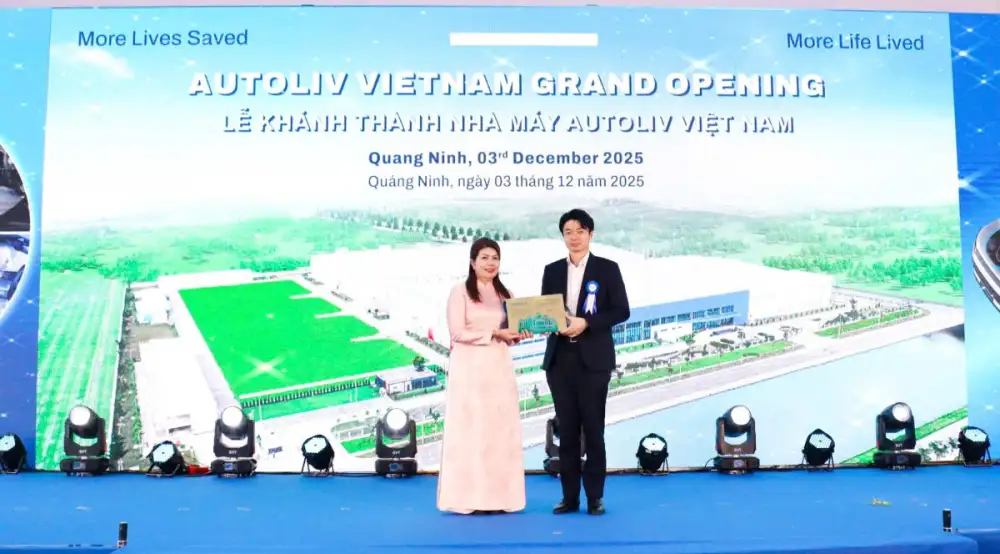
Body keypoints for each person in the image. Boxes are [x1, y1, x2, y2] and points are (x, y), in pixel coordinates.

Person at [540, 209, 630, 516]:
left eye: (580, 231)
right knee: (566, 432)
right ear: (562, 236)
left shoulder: (607, 269)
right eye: (568, 232)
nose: (574, 237)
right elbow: (546, 311)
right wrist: (545, 322)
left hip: (594, 362)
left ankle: (594, 497)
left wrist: (587, 323)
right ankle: (569, 498)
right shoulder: (552, 270)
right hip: (560, 360)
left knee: (593, 432)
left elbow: (621, 310)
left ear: (591, 234)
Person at [437, 237, 529, 514]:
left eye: (495, 258)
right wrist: (494, 333)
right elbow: (457, 332)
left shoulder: (506, 294)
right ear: (472, 262)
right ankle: (468, 499)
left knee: (499, 431)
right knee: (471, 430)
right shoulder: (460, 292)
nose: (491, 263)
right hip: (469, 370)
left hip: (499, 367)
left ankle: (501, 499)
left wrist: (519, 334)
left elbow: (511, 333)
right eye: (485, 258)